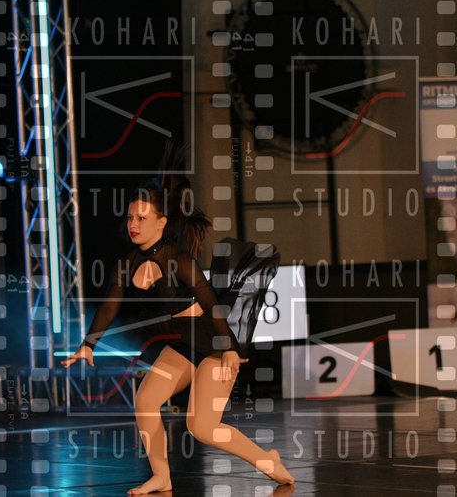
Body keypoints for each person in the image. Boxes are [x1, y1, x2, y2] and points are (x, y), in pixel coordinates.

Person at [62, 146, 294, 494]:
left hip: (214, 343)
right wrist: (88, 344)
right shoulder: (126, 265)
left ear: (161, 222)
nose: (133, 225)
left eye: (141, 219)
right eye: (130, 218)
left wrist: (230, 349)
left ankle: (267, 461)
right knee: (145, 401)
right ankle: (161, 476)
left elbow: (211, 304)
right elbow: (109, 306)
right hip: (184, 344)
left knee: (202, 427)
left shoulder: (179, 259)